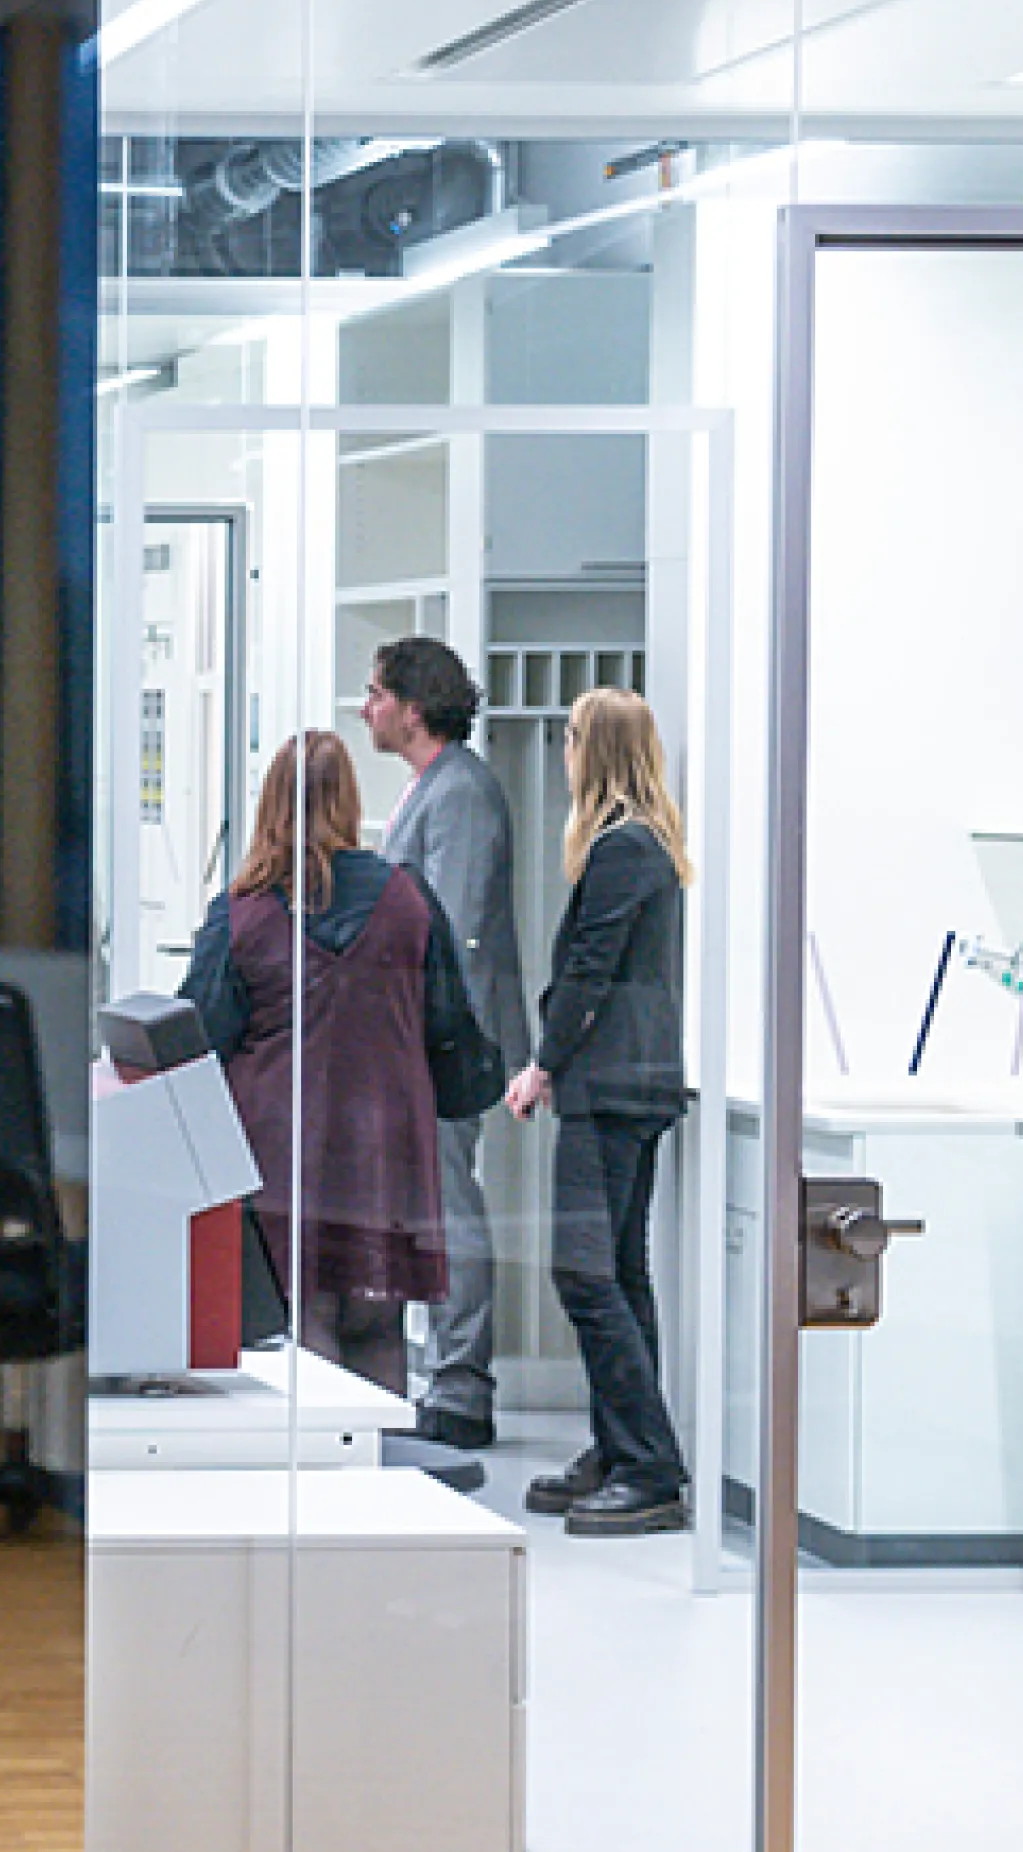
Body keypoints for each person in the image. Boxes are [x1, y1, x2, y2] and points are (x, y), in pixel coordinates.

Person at [180, 730, 496, 1396]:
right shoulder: (408, 900)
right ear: (351, 801)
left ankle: (317, 1481)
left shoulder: (241, 913)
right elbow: (449, 1024)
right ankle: (373, 1482)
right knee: (378, 1323)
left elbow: (201, 1032)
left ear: (270, 805)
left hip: (279, 1140)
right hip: (387, 1140)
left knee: (306, 1312)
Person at [511, 687, 697, 1540]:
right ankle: (623, 1451)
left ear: (598, 749)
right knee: (620, 1272)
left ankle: (650, 1464)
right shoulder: (650, 844)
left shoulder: (621, 849)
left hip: (610, 1084)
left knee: (584, 1275)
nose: (564, 748)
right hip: (638, 1080)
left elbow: (590, 971)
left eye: (572, 735)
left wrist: (543, 1063)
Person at [366, 635, 530, 1452]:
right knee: (432, 1207)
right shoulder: (431, 788)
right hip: (422, 1037)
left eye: (376, 694)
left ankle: (463, 1386)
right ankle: (445, 1372)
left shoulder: (459, 794)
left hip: (448, 1040)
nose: (367, 709)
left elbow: (456, 935)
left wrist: (422, 1043)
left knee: (449, 1208)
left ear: (413, 706)